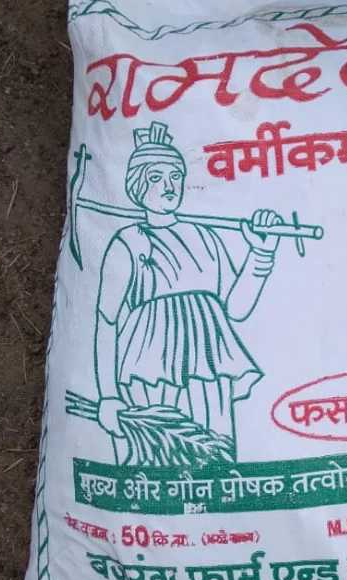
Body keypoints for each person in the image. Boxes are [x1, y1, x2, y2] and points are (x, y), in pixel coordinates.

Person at [94, 122, 282, 464]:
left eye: (175, 176)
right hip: (152, 368)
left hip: (207, 369)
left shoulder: (205, 237)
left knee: (212, 456)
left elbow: (235, 308)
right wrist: (107, 396)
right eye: (156, 177)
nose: (169, 186)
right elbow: (106, 322)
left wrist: (261, 253)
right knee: (157, 456)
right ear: (136, 185)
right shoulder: (129, 242)